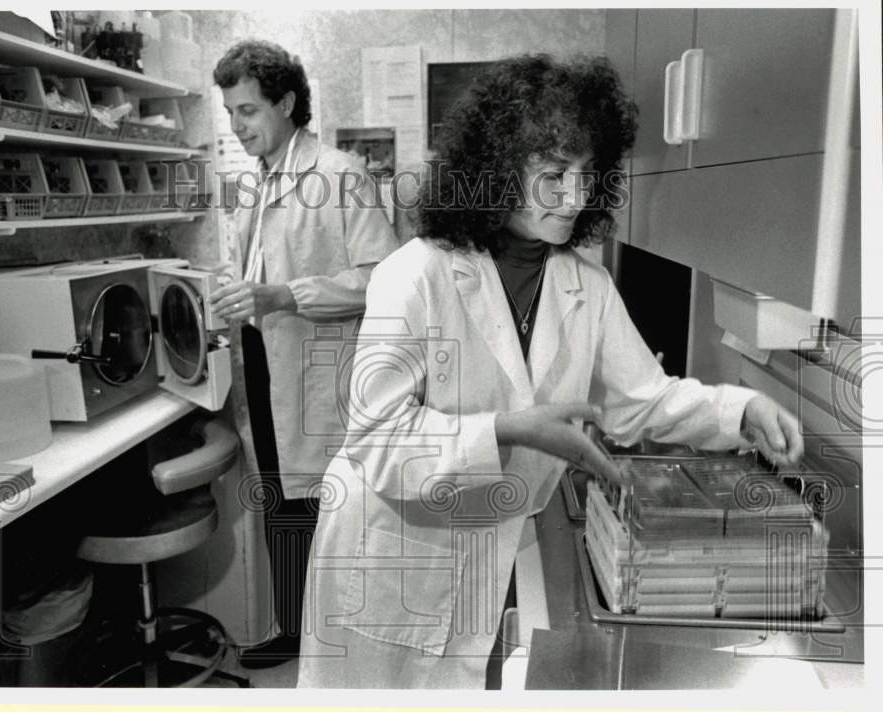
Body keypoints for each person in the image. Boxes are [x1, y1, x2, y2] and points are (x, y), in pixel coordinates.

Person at [297, 54, 803, 688]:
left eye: (587, 175)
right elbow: (376, 439)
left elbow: (643, 400)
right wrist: (511, 429)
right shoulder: (415, 274)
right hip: (392, 548)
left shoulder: (584, 284)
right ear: (495, 170)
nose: (576, 196)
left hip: (484, 546)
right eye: (553, 173)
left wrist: (741, 410)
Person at [209, 40, 399, 668]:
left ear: (287, 103)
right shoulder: (258, 182)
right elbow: (260, 268)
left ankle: (335, 647)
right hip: (268, 364)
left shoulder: (339, 174)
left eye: (248, 111)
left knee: (326, 508)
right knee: (278, 497)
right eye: (231, 113)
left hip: (320, 371)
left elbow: (382, 278)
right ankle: (293, 628)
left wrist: (284, 295)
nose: (238, 127)